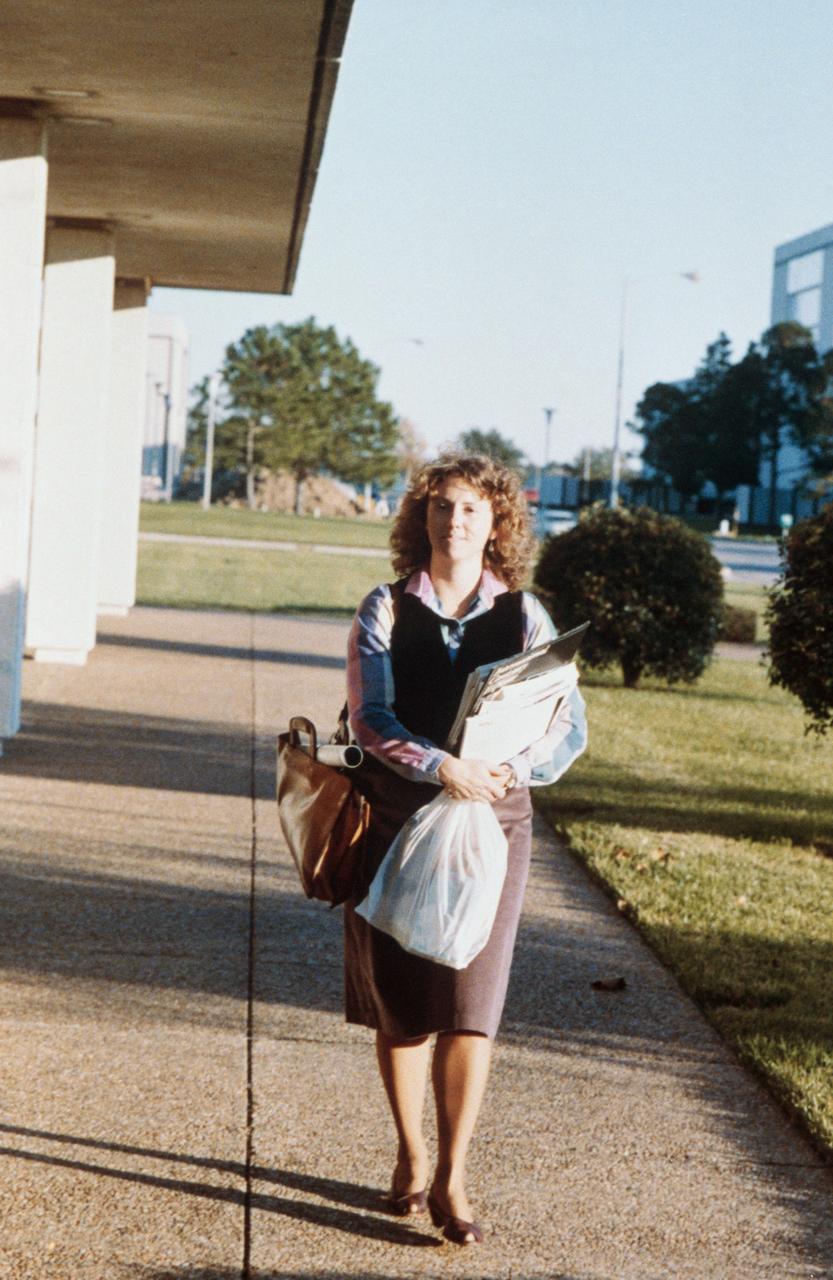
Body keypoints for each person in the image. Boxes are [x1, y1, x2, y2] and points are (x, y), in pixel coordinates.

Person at [344, 453, 587, 1245]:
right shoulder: (382, 608)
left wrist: (503, 772)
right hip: (397, 815)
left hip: (493, 823)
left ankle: (454, 1174)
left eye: (473, 510)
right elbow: (369, 717)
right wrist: (438, 765)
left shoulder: (524, 616)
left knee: (470, 1004)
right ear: (421, 517)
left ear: (498, 524)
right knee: (404, 998)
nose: (456, 521)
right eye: (443, 507)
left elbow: (564, 723)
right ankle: (411, 1156)